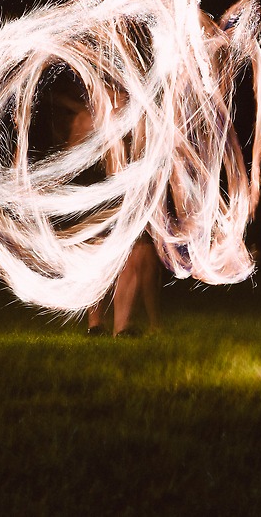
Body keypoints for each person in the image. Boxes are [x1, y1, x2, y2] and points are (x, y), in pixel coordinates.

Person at [60, 93, 162, 337]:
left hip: (123, 197)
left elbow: (145, 158)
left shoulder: (137, 119)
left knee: (130, 256)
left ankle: (122, 327)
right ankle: (95, 325)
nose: (120, 96)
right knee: (95, 260)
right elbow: (71, 162)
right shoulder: (86, 120)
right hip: (95, 196)